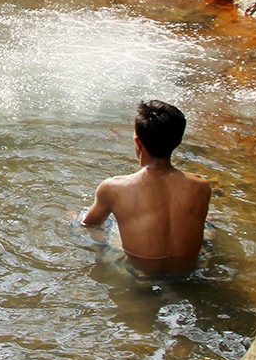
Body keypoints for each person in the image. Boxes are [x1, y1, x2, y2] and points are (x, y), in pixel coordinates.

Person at [77, 100, 212, 276]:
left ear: (137, 142)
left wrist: (75, 218)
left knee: (78, 220)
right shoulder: (201, 186)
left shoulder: (113, 188)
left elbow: (90, 224)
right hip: (188, 272)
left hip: (139, 272)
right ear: (178, 142)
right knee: (210, 224)